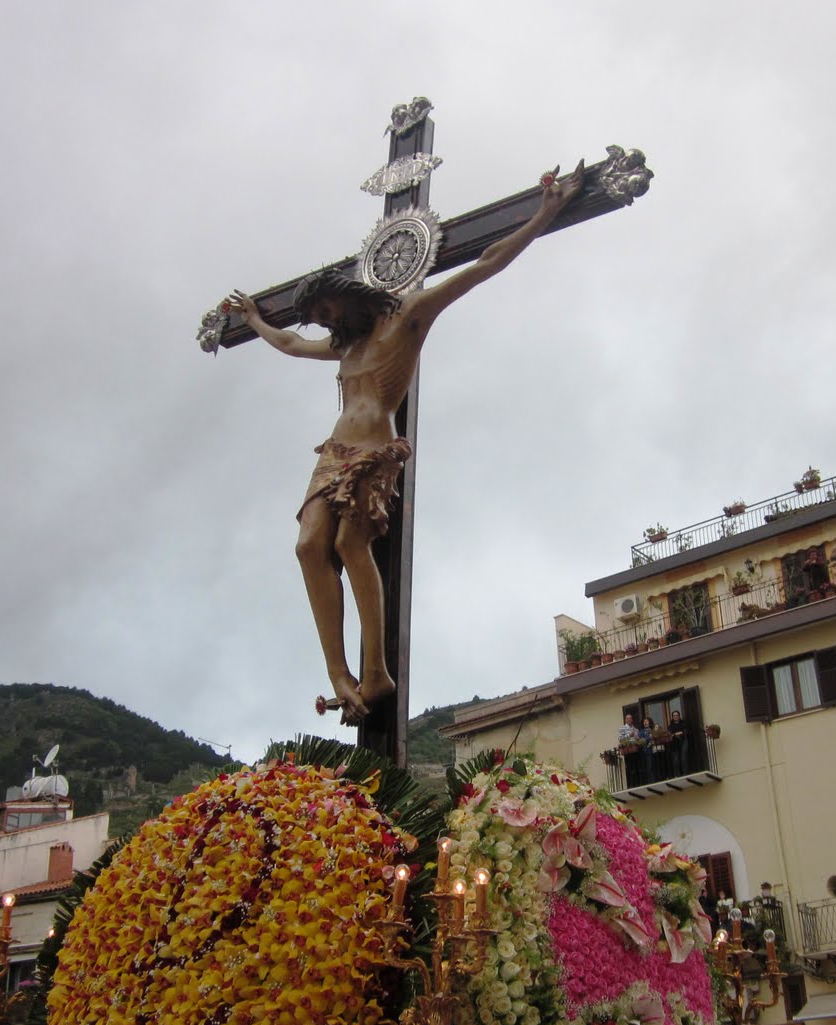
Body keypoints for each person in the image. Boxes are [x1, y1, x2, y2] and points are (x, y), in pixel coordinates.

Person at [228, 161, 586, 724]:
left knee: (350, 545)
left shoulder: (409, 318)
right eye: (318, 318)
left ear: (345, 296)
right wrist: (252, 319)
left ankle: (375, 672)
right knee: (306, 547)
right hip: (332, 454)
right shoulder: (342, 349)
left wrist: (545, 213)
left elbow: (485, 265)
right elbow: (293, 344)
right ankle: (338, 672)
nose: (323, 324)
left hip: (374, 449)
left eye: (326, 311)